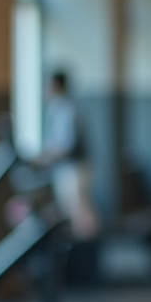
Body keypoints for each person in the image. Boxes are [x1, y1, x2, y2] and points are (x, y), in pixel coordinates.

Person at [35, 71, 100, 239]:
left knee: (80, 211)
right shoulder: (57, 108)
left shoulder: (68, 110)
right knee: (71, 209)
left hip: (75, 168)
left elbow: (66, 145)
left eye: (48, 85)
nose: (45, 89)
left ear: (56, 86)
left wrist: (44, 158)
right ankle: (83, 248)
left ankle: (87, 250)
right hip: (67, 168)